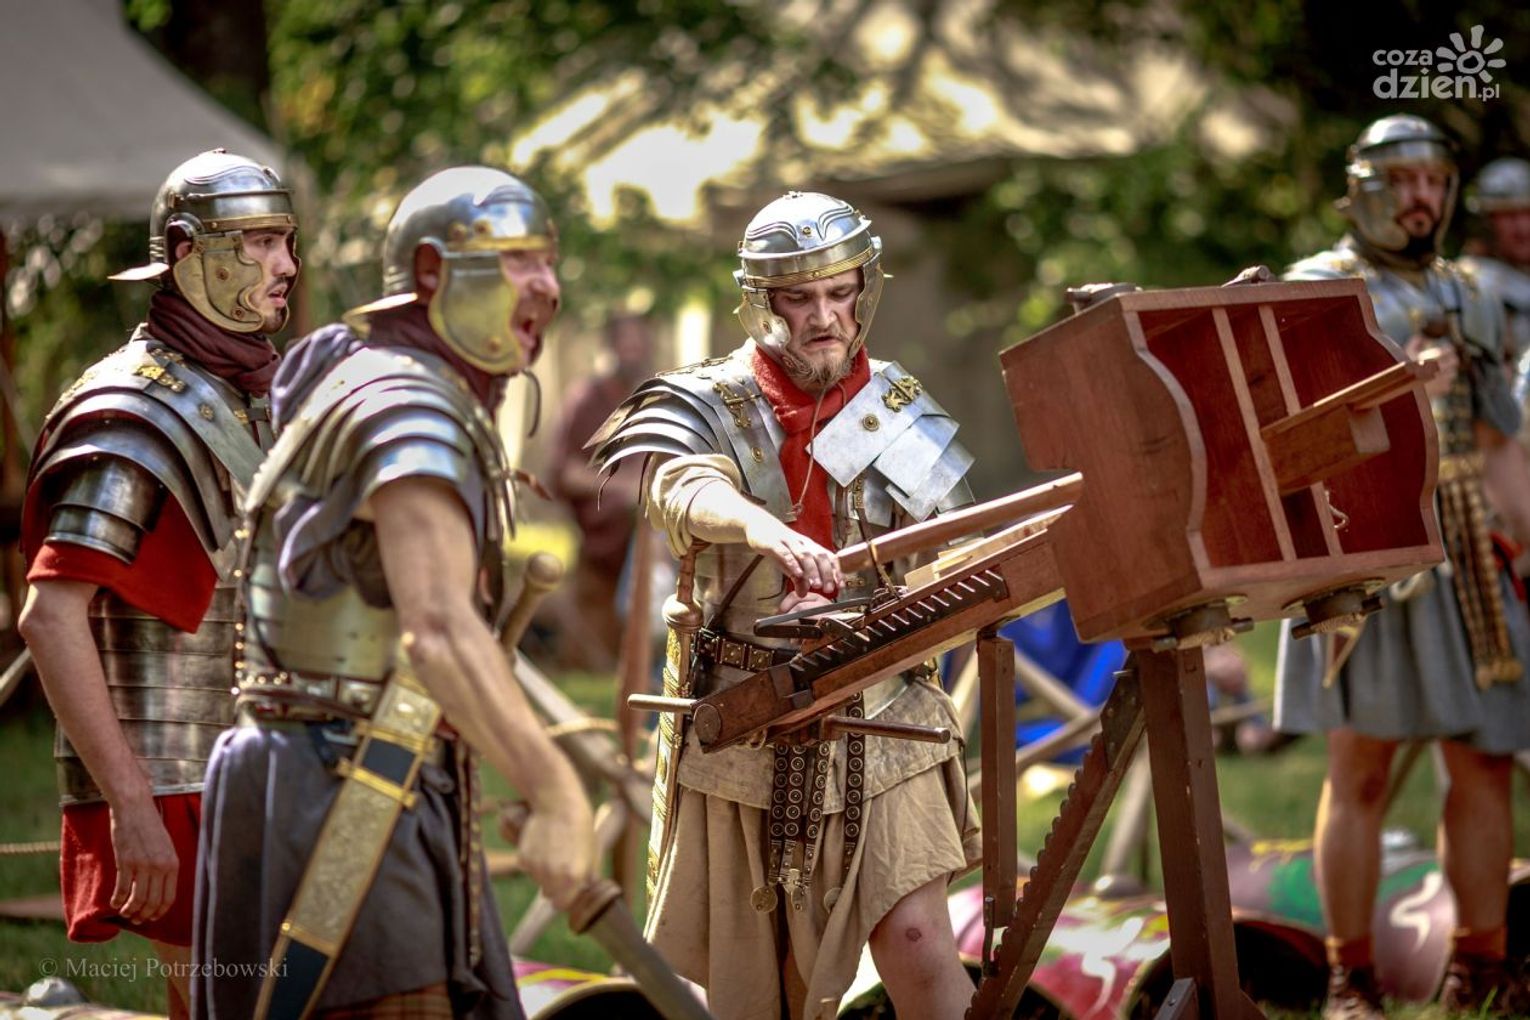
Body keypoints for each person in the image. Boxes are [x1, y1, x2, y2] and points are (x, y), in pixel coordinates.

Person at [192, 167, 596, 1018]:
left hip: (348, 763)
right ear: (432, 273)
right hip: (345, 782)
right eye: (518, 261)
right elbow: (439, 629)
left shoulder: (368, 375)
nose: (547, 286)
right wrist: (557, 793)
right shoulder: (406, 405)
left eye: (549, 261)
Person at [591, 191, 981, 1019]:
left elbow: (954, 541)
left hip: (885, 709)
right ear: (761, 301)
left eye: (840, 293)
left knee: (918, 944)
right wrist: (762, 528)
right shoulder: (708, 400)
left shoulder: (895, 405)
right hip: (746, 718)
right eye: (800, 298)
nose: (824, 317)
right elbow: (681, 486)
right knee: (750, 985)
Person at [16, 149, 298, 1018]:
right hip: (175, 777)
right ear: (185, 251)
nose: (286, 265)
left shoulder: (254, 392)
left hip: (263, 762)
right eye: (259, 242)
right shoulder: (137, 410)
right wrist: (130, 805)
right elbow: (49, 617)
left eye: (286, 241)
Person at [1274, 115, 1530, 1018]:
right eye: (1404, 180)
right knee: (1363, 770)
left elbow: (1497, 442)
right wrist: (1395, 387)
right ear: (1364, 188)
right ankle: (1351, 979)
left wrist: (1526, 541)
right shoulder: (1318, 290)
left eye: (1435, 181)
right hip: (1366, 543)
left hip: (1469, 550)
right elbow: (1285, 438)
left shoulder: (1474, 294)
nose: (1422, 198)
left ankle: (1480, 968)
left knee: (1485, 761)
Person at [547, 313, 655, 669]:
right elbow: (566, 473)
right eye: (626, 343)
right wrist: (624, 488)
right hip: (602, 539)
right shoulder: (586, 400)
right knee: (593, 653)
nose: (633, 351)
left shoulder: (655, 399)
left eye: (638, 343)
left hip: (650, 535)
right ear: (610, 347)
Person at [1460, 157, 1530, 394]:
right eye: (1509, 216)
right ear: (1487, 222)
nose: (1522, 228)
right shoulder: (1471, 282)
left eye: (1527, 213)